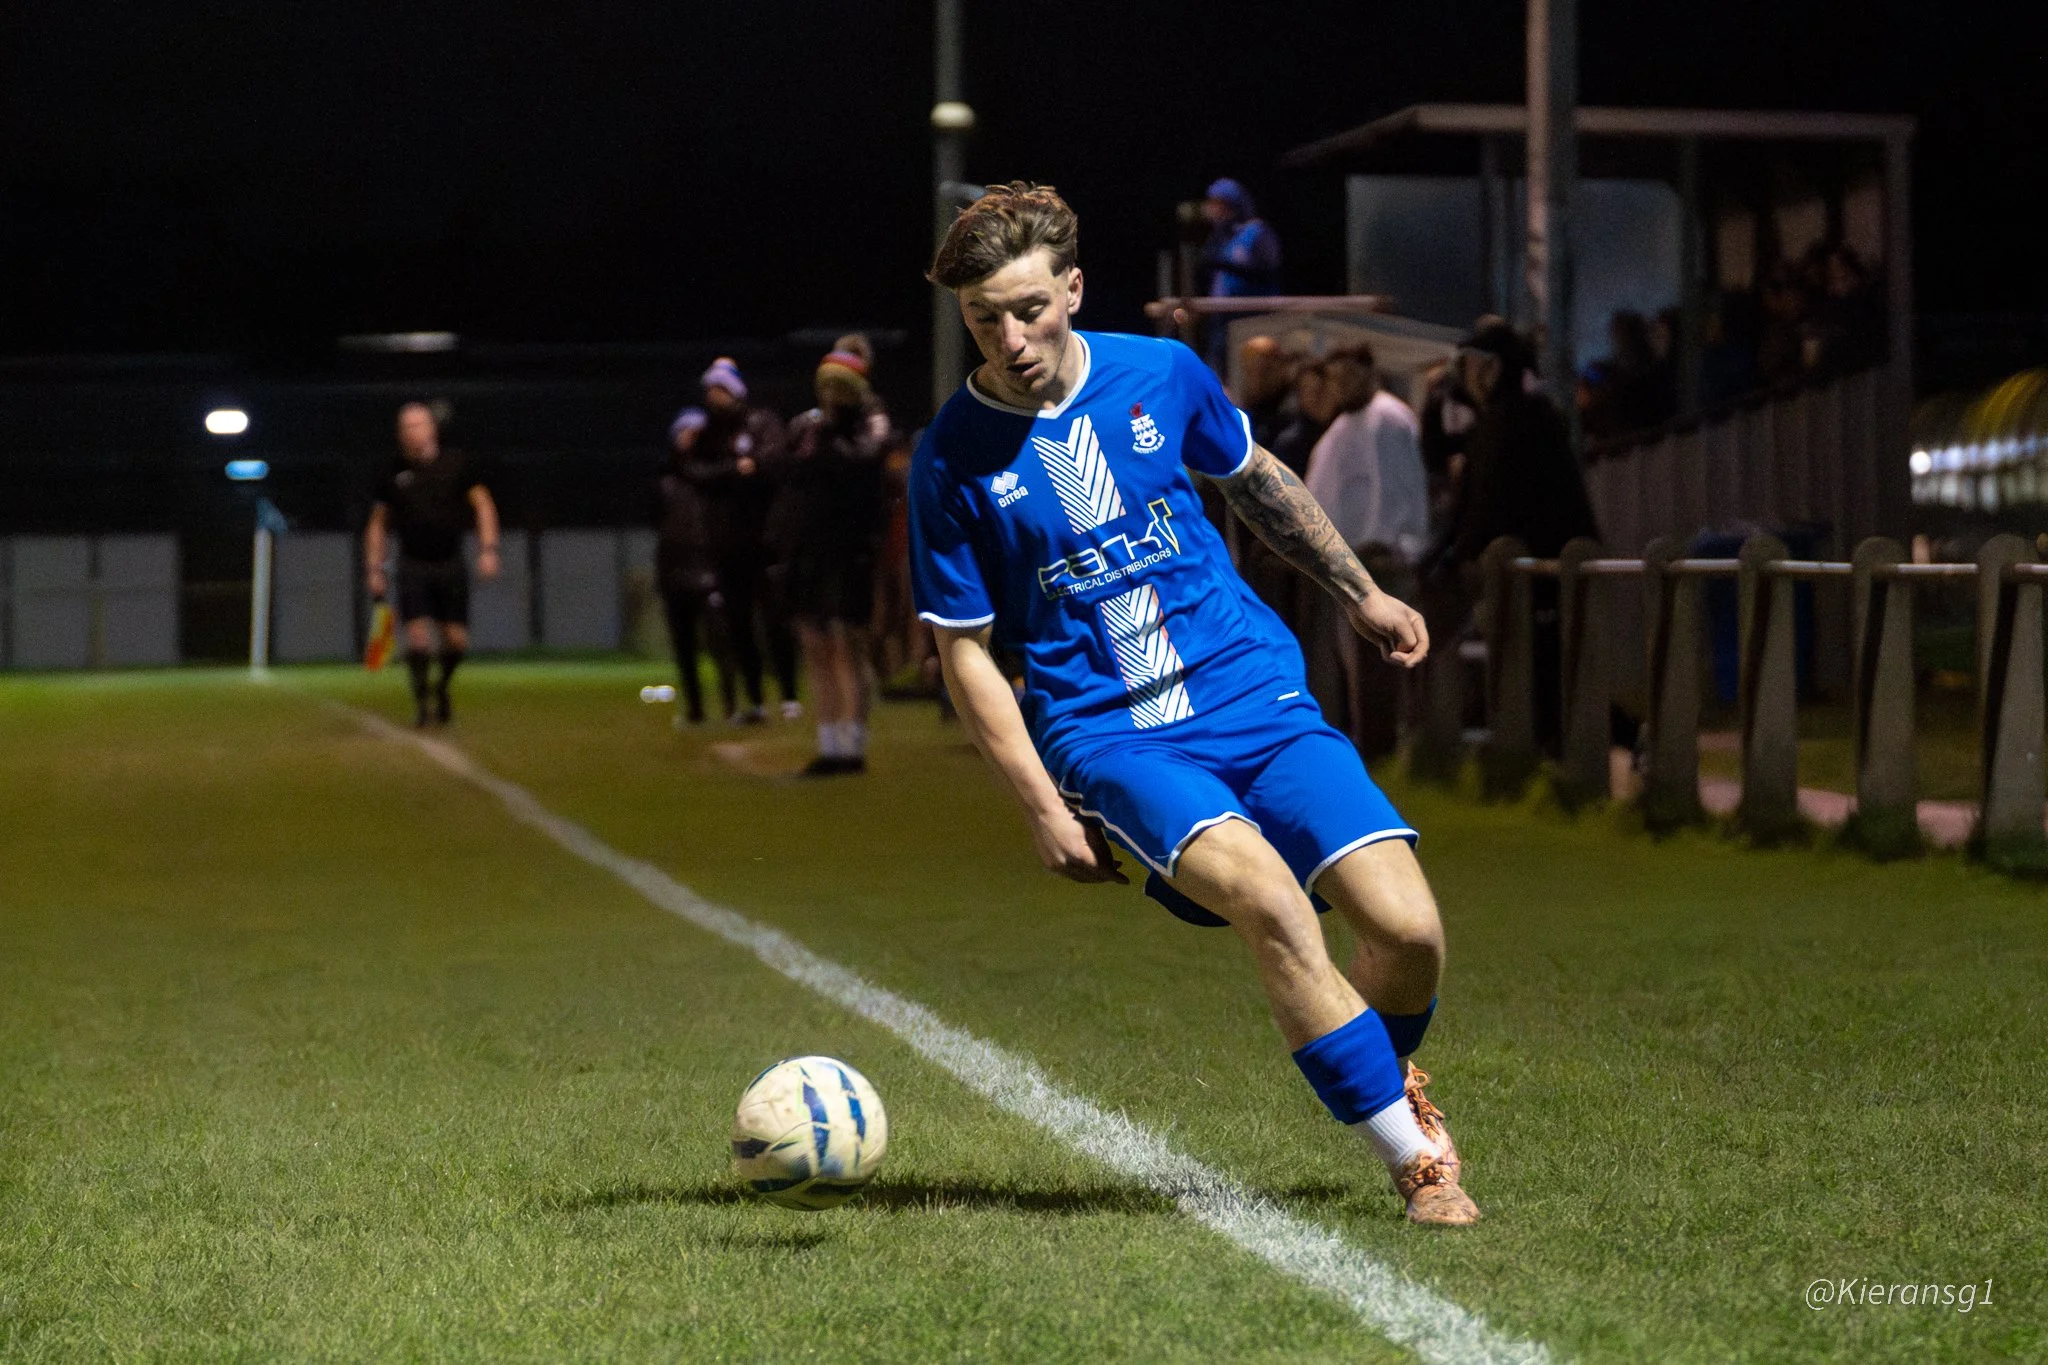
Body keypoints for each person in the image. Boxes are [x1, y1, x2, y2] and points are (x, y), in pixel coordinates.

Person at [911, 182, 1476, 1225]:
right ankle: (1417, 1166)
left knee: (1408, 935)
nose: (1008, 337)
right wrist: (1039, 804)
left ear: (1072, 290)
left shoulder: (1161, 374)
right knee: (1266, 902)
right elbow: (965, 652)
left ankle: (1375, 1074)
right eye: (982, 318)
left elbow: (1253, 479)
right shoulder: (948, 456)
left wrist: (1359, 592)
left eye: (1027, 308)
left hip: (1252, 695)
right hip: (1112, 735)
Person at [1302, 344, 1430, 757]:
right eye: (1335, 377)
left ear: (1368, 371)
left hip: (1380, 562)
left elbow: (1401, 493)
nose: (1341, 385)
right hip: (1350, 566)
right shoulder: (1343, 426)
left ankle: (1387, 751)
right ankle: (1372, 749)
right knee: (1355, 668)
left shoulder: (1388, 419)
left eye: (1348, 374)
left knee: (1381, 669)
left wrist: (1395, 545)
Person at [777, 338, 890, 775]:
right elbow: (785, 474)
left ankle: (852, 745)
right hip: (808, 549)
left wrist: (835, 433)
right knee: (816, 642)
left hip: (850, 550)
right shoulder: (807, 426)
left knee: (847, 645)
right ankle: (829, 744)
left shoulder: (869, 422)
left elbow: (863, 462)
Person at [364, 402, 500, 727]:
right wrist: (374, 568)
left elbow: (483, 505)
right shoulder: (392, 472)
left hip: (450, 564)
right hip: (413, 565)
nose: (412, 432)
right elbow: (378, 523)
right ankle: (421, 702)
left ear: (432, 428)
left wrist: (488, 549)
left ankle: (442, 688)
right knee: (419, 640)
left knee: (456, 641)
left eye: (418, 424)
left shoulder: (458, 464)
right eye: (406, 427)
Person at [677, 357, 797, 723]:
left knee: (776, 620)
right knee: (739, 624)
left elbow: (772, 465)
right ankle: (755, 699)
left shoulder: (761, 423)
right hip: (726, 543)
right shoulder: (707, 434)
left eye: (719, 389)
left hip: (766, 540)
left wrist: (745, 470)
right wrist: (735, 470)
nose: (713, 396)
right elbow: (696, 473)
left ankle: (790, 695)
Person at [654, 407, 735, 727]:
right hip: (675, 569)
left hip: (710, 568)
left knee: (719, 642)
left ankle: (731, 704)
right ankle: (695, 709)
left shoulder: (716, 478)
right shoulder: (665, 479)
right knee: (684, 645)